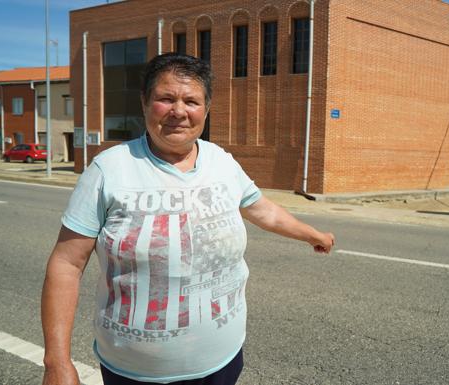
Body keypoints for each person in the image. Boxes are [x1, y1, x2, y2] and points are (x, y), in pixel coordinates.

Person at [41, 52, 335, 385]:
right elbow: (66, 265)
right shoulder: (109, 169)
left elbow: (262, 209)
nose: (179, 111)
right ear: (145, 103)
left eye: (192, 101)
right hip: (135, 373)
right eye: (166, 98)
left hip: (222, 362)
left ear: (206, 110)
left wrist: (312, 234)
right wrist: (57, 362)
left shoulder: (221, 162)